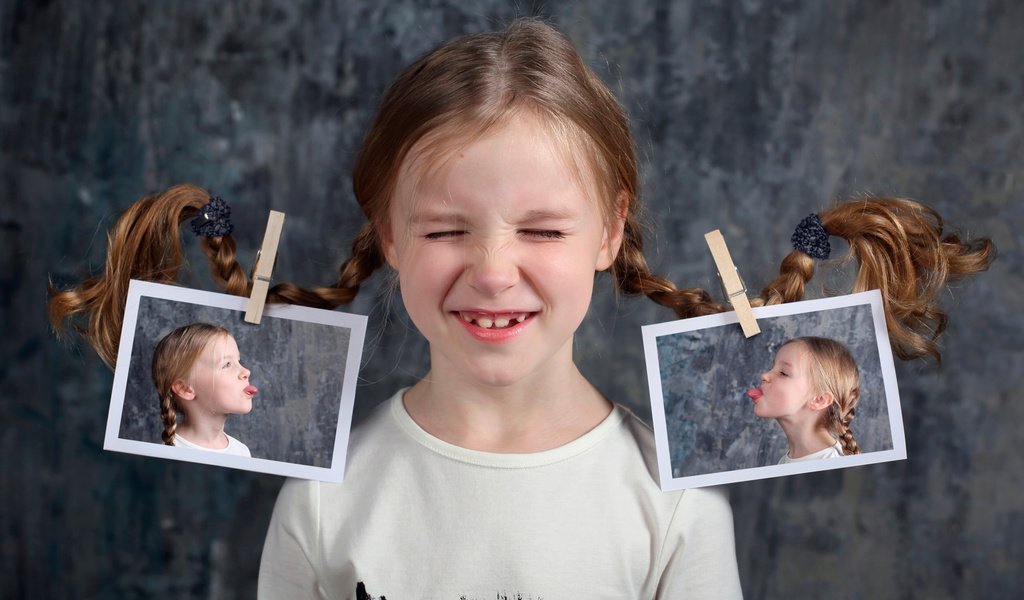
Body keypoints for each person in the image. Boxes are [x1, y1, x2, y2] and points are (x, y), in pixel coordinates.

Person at [47, 17, 993, 600]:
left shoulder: (676, 509)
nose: (494, 272)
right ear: (385, 230)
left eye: (542, 231)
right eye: (447, 228)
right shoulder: (322, 506)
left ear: (610, 233)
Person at [747, 337, 860, 464]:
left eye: (783, 373)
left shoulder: (831, 466)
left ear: (819, 400)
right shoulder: (787, 461)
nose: (764, 375)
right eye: (773, 367)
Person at [151, 323, 257, 457]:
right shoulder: (166, 455)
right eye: (227, 364)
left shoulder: (242, 452)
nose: (246, 371)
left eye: (238, 361)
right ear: (185, 389)